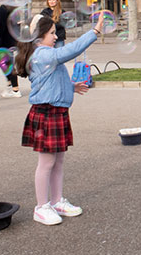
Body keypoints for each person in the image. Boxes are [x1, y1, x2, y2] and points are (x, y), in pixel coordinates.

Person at [14, 13, 104, 226]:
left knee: (58, 160)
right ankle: (41, 206)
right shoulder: (42, 54)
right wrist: (95, 31)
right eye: (52, 33)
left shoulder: (45, 55)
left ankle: (56, 201)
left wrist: (71, 87)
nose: (55, 37)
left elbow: (49, 81)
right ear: (39, 37)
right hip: (46, 113)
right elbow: (70, 51)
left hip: (56, 112)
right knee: (46, 163)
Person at [0, 0, 21, 97]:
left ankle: (15, 89)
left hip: (5, 39)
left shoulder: (3, 8)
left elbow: (1, 27)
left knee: (5, 63)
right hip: (12, 39)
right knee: (6, 63)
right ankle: (10, 86)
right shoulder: (14, 8)